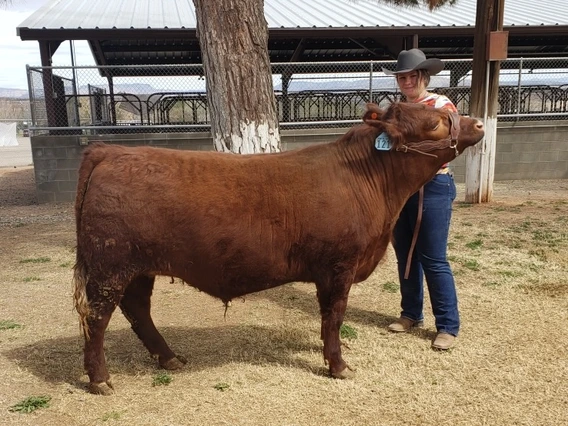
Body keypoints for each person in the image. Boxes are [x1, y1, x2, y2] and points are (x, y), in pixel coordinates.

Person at [382, 49, 459, 351]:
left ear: (423, 76)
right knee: (406, 253)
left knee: (434, 258)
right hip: (402, 188)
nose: (407, 81)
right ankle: (411, 313)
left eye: (412, 76)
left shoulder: (440, 105)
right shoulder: (396, 111)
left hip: (434, 184)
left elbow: (450, 141)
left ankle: (448, 326)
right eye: (402, 77)